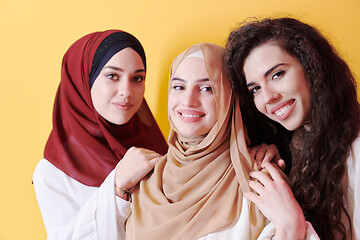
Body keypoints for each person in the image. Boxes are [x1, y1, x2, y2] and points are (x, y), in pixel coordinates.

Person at [99, 42, 301, 240]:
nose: (188, 101)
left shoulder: (261, 182)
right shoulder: (141, 180)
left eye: (206, 89)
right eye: (178, 86)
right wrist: (117, 189)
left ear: (229, 98)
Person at [224, 17, 360, 239]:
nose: (268, 97)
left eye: (277, 74)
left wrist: (292, 225)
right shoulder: (293, 153)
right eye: (255, 89)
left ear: (312, 67)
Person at [33, 30, 168, 239]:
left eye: (137, 78)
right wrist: (117, 185)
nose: (126, 91)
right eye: (112, 76)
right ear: (83, 80)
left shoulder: (158, 149)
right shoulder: (54, 173)